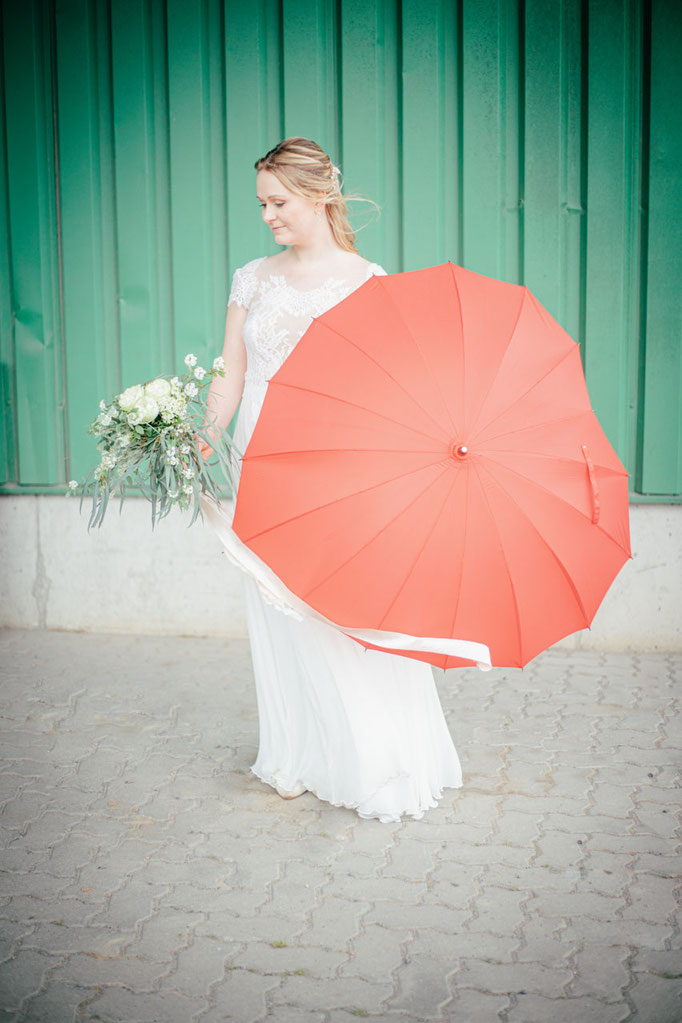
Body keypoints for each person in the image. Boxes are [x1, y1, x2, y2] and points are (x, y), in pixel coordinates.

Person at [201, 137, 463, 822]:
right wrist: (203, 431)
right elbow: (230, 369)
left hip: (326, 465)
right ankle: (296, 752)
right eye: (261, 204)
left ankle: (368, 754)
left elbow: (385, 386)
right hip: (257, 457)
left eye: (279, 202)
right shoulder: (251, 279)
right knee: (274, 605)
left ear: (319, 195)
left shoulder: (365, 280)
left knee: (329, 611)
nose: (267, 216)